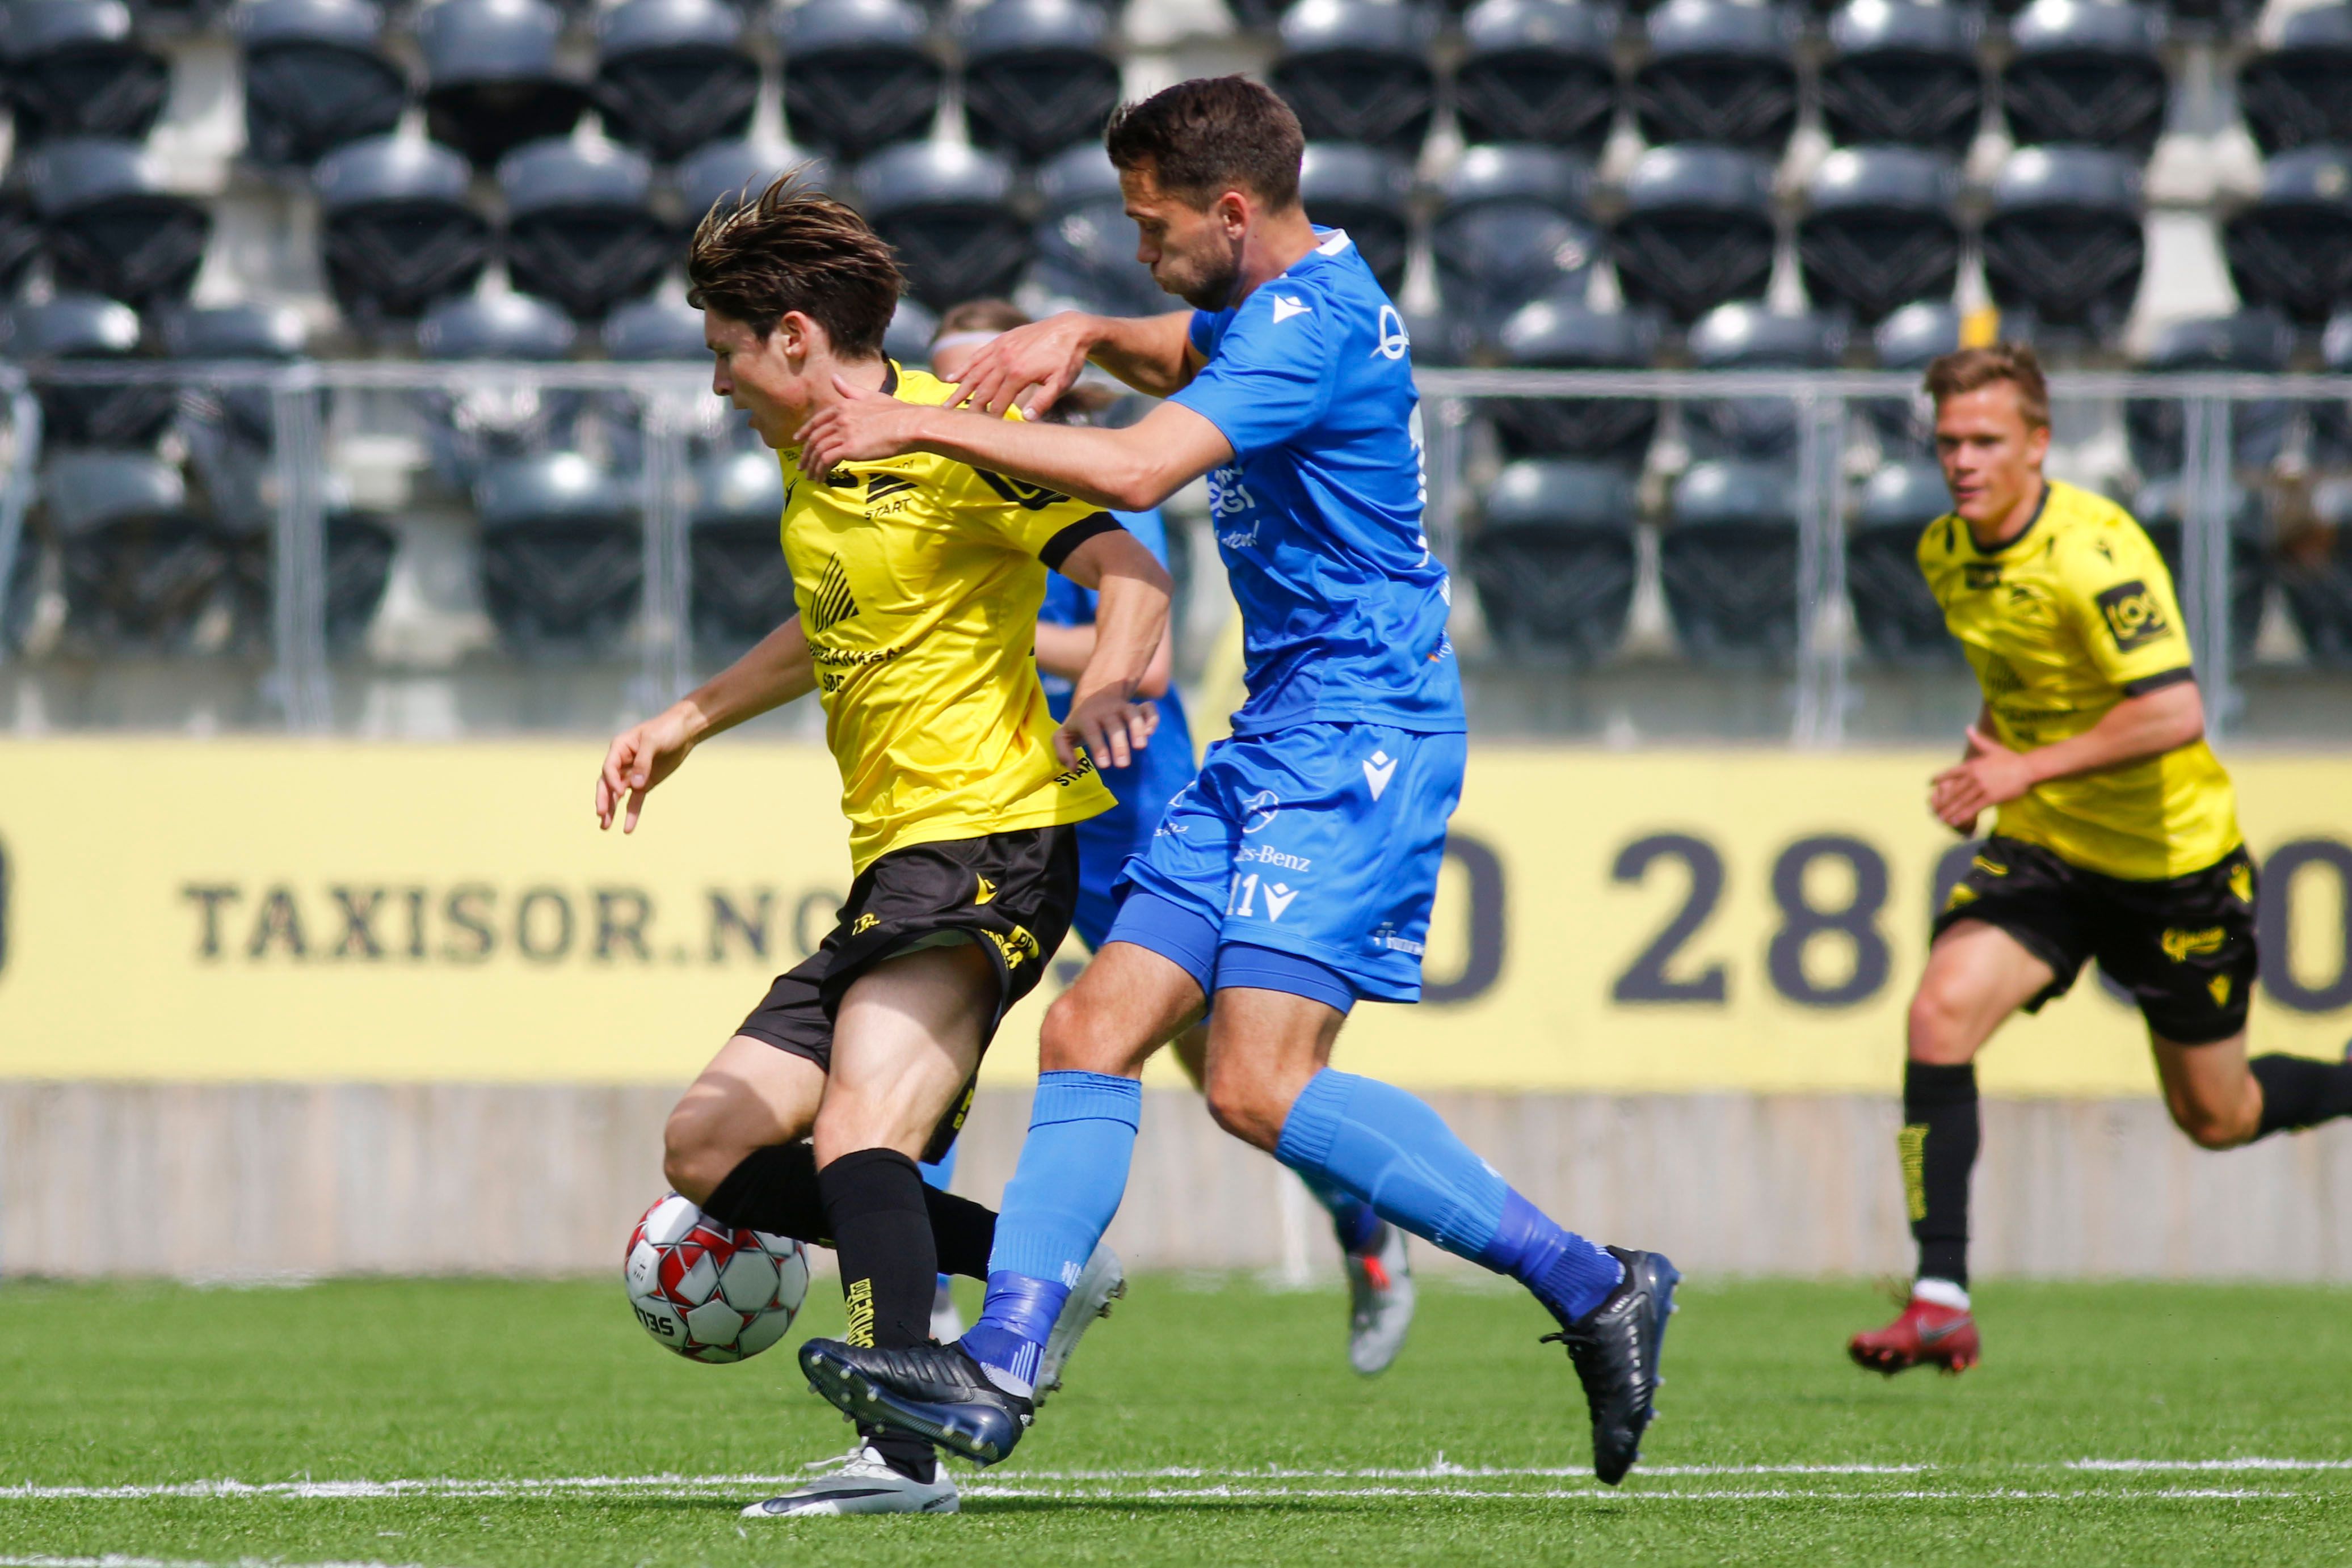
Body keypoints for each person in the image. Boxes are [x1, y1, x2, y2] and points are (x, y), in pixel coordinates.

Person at [787, 77, 1677, 1486]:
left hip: (1359, 735)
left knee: (1258, 1083)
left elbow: (1142, 471)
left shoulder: (1309, 328)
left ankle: (1594, 1280)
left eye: (1153, 228)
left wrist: (926, 426)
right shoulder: (1274, 301)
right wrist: (1085, 329)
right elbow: (1173, 348)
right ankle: (998, 1362)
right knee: (1089, 1028)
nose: (1142, 251)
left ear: (1235, 210)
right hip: (1274, 732)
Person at [594, 176, 1172, 1515]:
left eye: (728, 354)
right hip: (898, 858)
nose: (719, 384)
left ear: (795, 337)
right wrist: (688, 718)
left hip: (991, 835)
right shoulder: (813, 464)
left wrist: (1104, 688)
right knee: (708, 1143)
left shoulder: (960, 438)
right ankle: (1039, 1265)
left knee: (863, 1120)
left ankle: (898, 1454)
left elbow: (1132, 575)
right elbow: (833, 619)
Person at [922, 299, 1420, 1374]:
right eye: (944, 386)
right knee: (932, 1030)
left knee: (1231, 1073)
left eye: (982, 379)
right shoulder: (946, 499)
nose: (961, 403)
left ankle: (1365, 1225)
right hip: (1011, 811)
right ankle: (929, 1307)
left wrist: (987, 634)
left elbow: (1140, 660)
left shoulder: (1093, 486)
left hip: (1133, 818)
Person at [1848, 343, 2352, 1376]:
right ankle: (1940, 1298)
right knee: (1937, 1016)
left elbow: (2173, 711)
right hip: (2048, 850)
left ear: (2038, 444)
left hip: (2174, 865)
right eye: (1948, 442)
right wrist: (1987, 761)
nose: (1962, 462)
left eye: (1985, 441)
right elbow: (2019, 671)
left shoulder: (2095, 552)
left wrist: (2019, 769)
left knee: (2216, 1116)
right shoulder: (1947, 551)